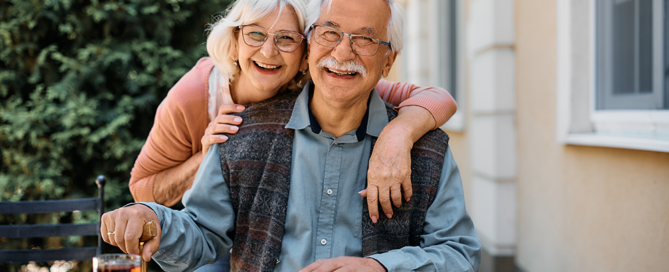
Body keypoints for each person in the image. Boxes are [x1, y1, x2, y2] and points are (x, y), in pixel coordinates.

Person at [103, 0, 481, 271]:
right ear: (311, 44)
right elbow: (202, 231)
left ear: (388, 60)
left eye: (365, 40)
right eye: (330, 33)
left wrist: (382, 269)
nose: (342, 51)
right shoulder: (240, 132)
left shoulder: (426, 150)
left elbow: (459, 254)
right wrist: (151, 217)